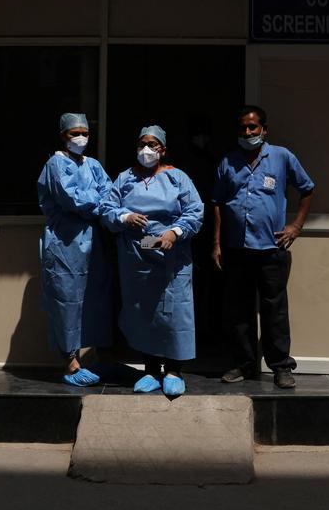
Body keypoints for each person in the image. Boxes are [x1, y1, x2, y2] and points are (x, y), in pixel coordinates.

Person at [211, 105, 315, 389]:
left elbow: (307, 189)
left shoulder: (281, 157)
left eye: (253, 127)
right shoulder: (228, 161)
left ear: (264, 130)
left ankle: (281, 366)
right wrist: (217, 242)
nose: (248, 132)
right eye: (243, 128)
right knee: (239, 312)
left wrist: (297, 226)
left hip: (272, 248)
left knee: (275, 311)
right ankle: (245, 365)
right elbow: (218, 203)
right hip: (237, 248)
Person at [102, 125, 204, 397]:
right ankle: (150, 370)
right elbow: (107, 208)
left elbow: (195, 211)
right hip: (138, 253)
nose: (146, 150)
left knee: (173, 310)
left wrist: (174, 232)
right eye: (142, 144)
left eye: (152, 144)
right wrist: (124, 217)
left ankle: (173, 369)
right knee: (144, 311)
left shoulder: (177, 178)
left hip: (172, 253)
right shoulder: (125, 179)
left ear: (163, 149)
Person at [35, 112, 112, 387]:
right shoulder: (56, 163)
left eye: (84, 133)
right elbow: (72, 199)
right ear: (62, 136)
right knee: (66, 300)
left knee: (90, 300)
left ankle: (89, 357)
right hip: (65, 242)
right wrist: (99, 204)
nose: (80, 138)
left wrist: (103, 204)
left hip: (91, 242)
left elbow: (110, 193)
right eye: (73, 133)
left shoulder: (92, 165)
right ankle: (70, 364)